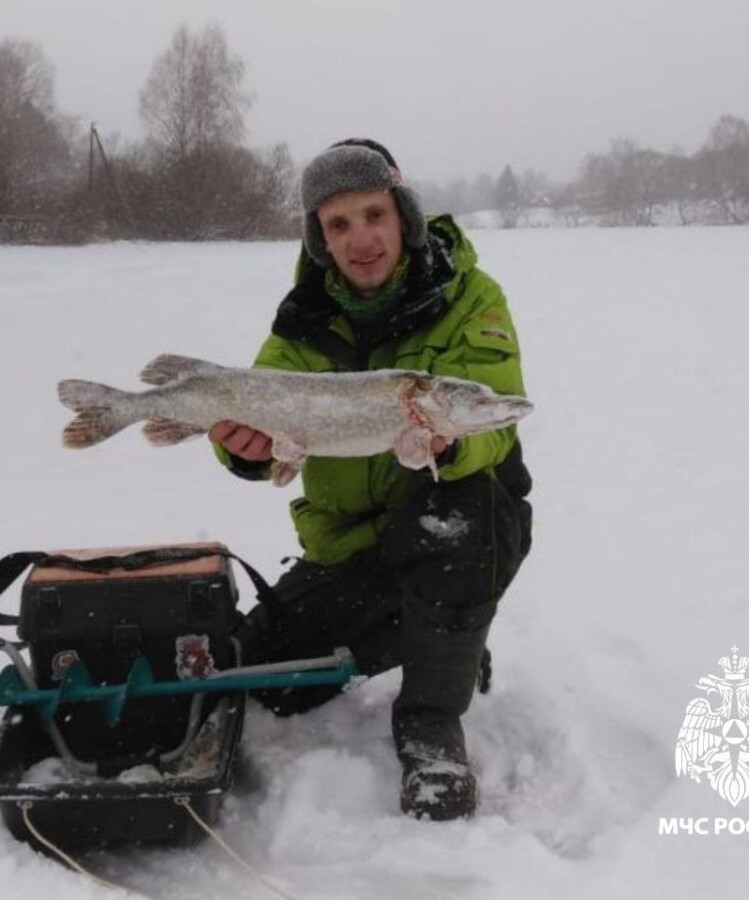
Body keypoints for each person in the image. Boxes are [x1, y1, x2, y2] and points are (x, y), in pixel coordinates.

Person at [209, 139, 532, 821]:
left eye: (373, 214)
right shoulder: (302, 325)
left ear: (403, 216)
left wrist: (452, 443)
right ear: (320, 240)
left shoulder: (470, 296)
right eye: (338, 224)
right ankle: (445, 640)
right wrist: (245, 451)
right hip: (353, 544)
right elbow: (264, 437)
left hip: (461, 530)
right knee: (261, 674)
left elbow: (495, 423)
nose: (361, 239)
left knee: (458, 506)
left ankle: (431, 717)